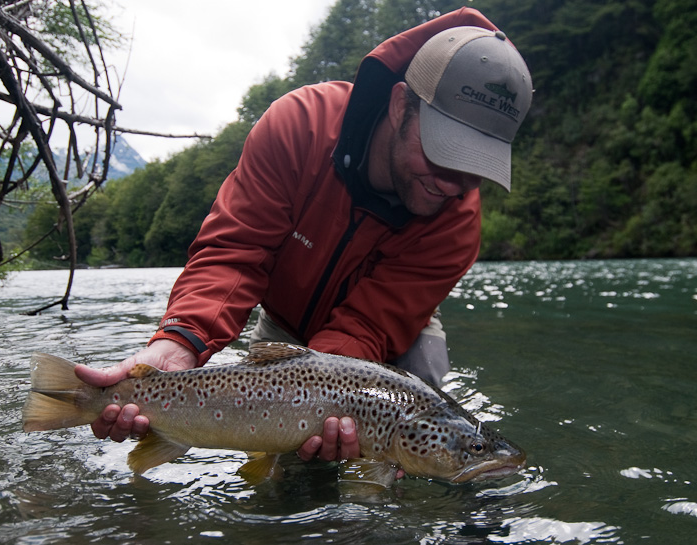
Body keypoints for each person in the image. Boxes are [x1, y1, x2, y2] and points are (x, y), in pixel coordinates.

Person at [75, 7, 532, 466]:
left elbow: (368, 326)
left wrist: (333, 404)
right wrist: (180, 341)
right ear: (400, 106)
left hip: (387, 342)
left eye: (475, 170)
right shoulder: (300, 126)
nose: (453, 185)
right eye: (444, 153)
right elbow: (234, 255)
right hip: (285, 321)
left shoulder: (456, 224)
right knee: (283, 470)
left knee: (412, 432)